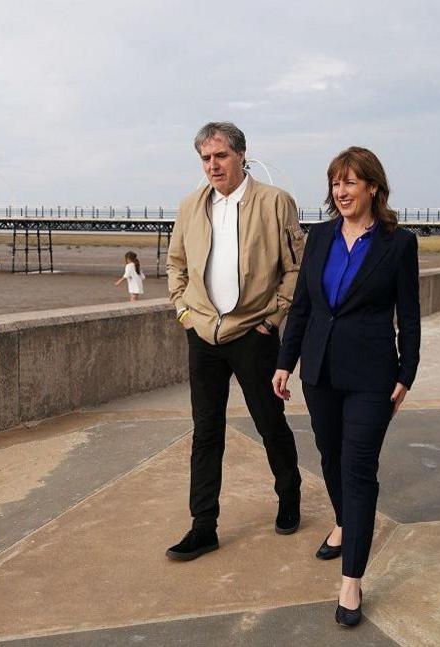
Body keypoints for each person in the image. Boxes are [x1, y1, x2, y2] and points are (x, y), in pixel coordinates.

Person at [271, 147, 420, 628]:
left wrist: (406, 373)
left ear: (373, 187)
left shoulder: (398, 244)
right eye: (336, 183)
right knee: (330, 457)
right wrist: (285, 361)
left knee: (358, 468)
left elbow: (409, 316)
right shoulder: (319, 236)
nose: (341, 191)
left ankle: (351, 580)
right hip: (320, 372)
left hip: (372, 376)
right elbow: (303, 307)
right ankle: (343, 523)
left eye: (351, 182)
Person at [165, 122, 304, 562]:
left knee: (269, 422)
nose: (212, 166)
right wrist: (184, 312)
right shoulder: (190, 206)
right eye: (205, 158)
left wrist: (273, 317)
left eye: (220, 156)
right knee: (206, 432)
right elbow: (176, 264)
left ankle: (289, 494)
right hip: (203, 334)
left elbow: (295, 268)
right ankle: (203, 526)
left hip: (253, 333)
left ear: (241, 155)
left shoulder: (275, 201)